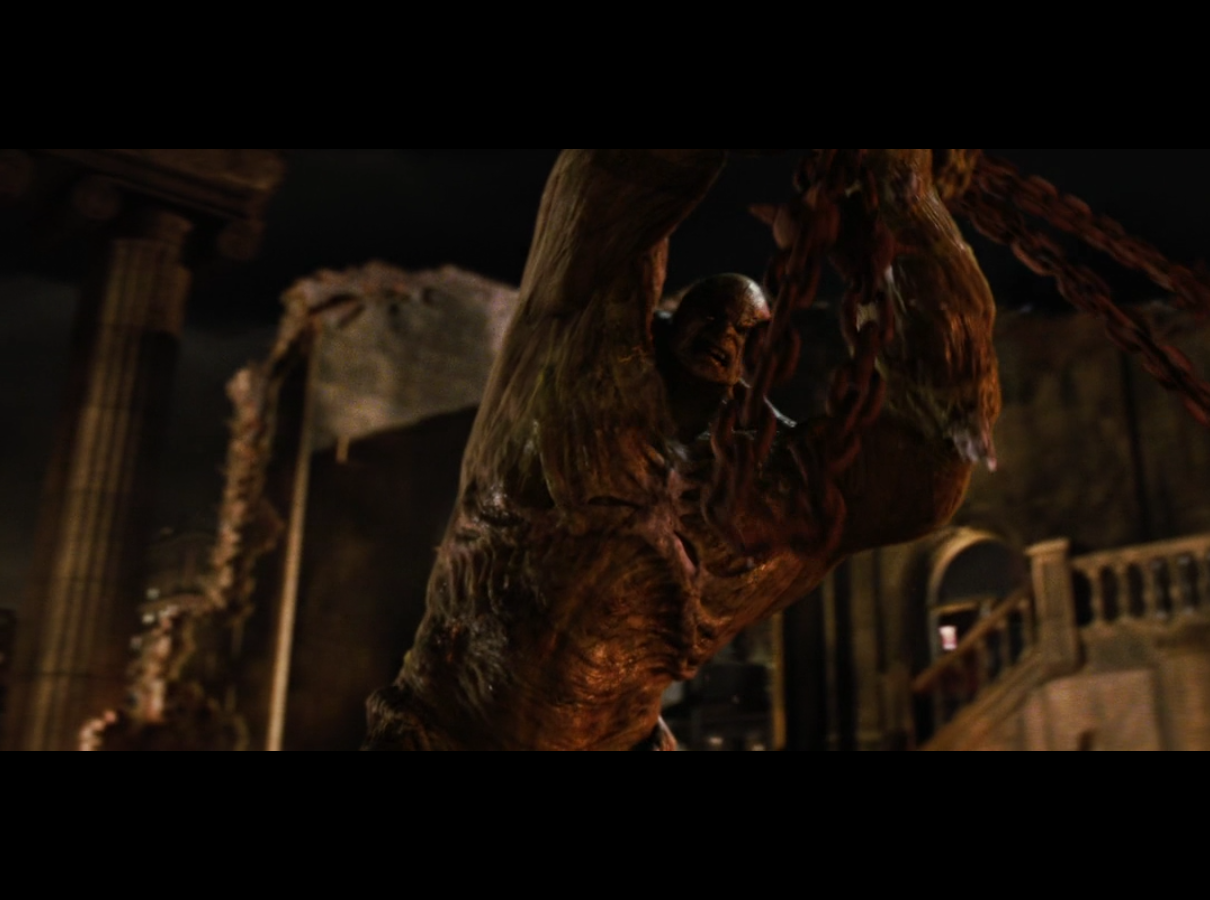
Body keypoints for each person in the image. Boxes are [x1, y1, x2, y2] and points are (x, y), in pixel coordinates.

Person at [364, 149, 1001, 751]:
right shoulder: (579, 353)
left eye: (744, 331)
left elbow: (937, 451)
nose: (724, 333)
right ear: (670, 323)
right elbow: (617, 179)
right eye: (711, 314)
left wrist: (905, 212)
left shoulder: (764, 491)